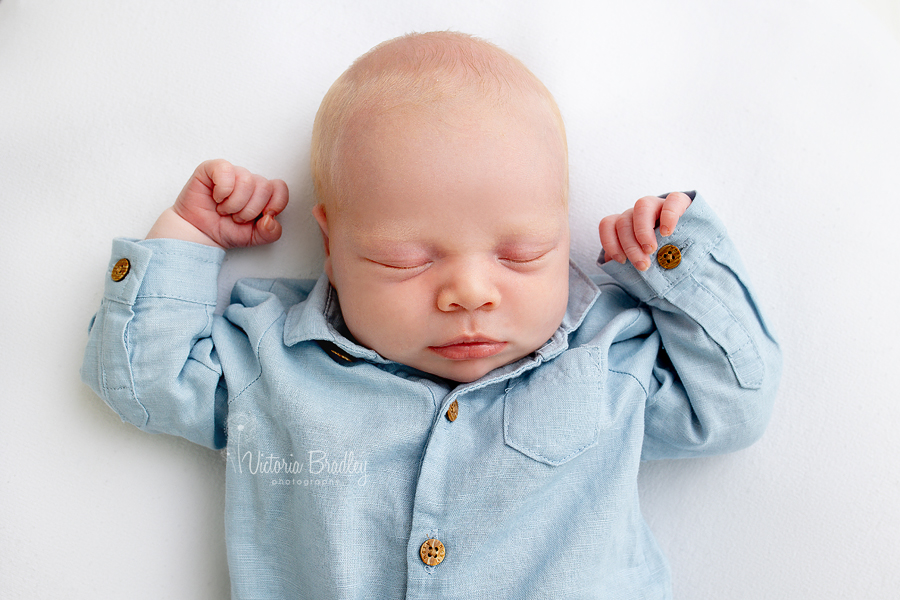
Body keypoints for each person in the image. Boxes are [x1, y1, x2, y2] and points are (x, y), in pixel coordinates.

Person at [81, 31, 781, 599]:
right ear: (332, 244)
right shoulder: (274, 366)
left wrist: (672, 256)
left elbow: (732, 403)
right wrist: (189, 232)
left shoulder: (606, 359)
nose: (470, 293)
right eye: (407, 259)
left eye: (521, 252)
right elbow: (144, 382)